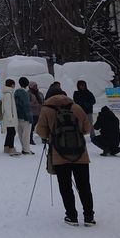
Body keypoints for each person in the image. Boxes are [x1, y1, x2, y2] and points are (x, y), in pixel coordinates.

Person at [36, 92, 95, 226]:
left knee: (65, 186)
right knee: (84, 185)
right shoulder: (76, 107)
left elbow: (41, 131)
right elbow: (87, 128)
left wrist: (52, 136)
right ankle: (89, 216)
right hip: (80, 153)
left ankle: (71, 216)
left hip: (59, 154)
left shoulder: (46, 109)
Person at [14, 77, 34, 154]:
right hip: (25, 117)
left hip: (18, 116)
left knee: (21, 134)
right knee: (26, 134)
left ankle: (24, 148)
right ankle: (26, 150)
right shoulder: (25, 93)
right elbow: (26, 106)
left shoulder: (16, 92)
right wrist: (29, 117)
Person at [1, 78, 20, 155]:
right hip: (10, 117)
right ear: (12, 85)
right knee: (12, 132)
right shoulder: (8, 94)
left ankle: (7, 147)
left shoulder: (8, 93)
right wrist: (10, 117)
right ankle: (11, 148)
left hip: (9, 117)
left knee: (10, 132)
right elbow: (8, 107)